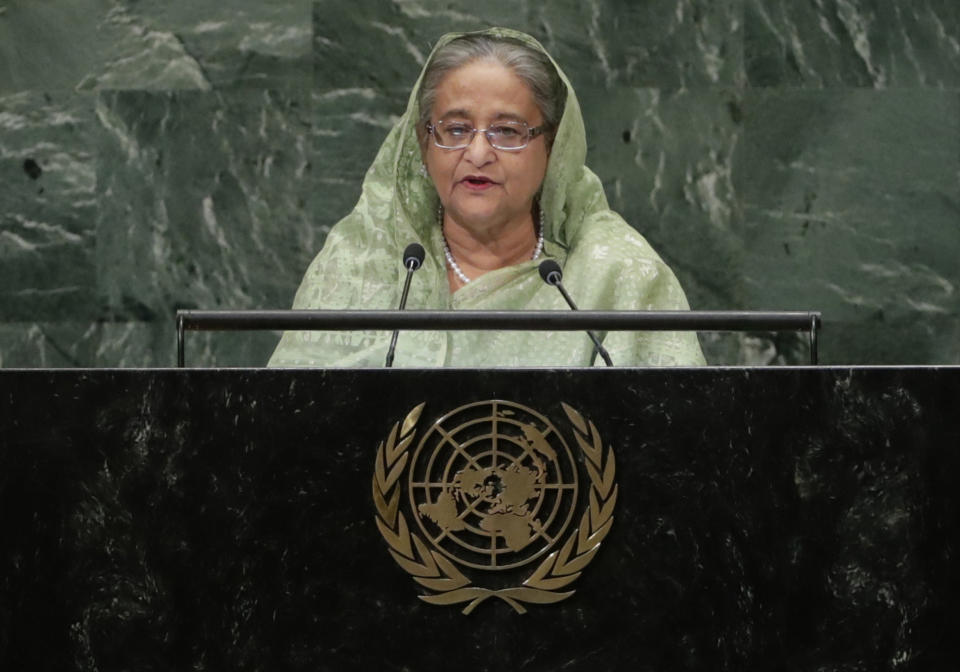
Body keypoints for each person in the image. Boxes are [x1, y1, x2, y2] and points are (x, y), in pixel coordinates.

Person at [268, 28, 705, 367]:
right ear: (424, 143)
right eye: (455, 130)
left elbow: (678, 453)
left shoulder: (617, 277)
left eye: (507, 131)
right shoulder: (357, 268)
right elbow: (284, 444)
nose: (478, 154)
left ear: (551, 147)